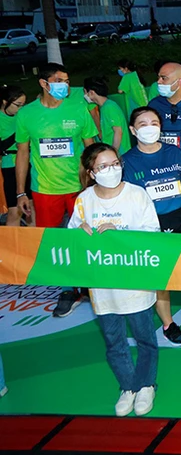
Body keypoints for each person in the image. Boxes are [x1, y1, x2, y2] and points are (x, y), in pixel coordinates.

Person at [68, 143, 159, 417]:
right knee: (113, 340)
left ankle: (146, 384)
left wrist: (120, 232)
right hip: (102, 286)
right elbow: (71, 235)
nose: (112, 170)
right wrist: (79, 232)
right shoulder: (84, 200)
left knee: (144, 337)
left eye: (115, 163)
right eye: (103, 166)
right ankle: (128, 386)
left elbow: (153, 232)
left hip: (135, 283)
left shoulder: (137, 194)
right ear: (91, 172)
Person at [121, 107, 181, 346]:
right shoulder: (127, 161)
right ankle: (168, 324)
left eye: (154, 123)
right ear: (133, 130)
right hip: (151, 225)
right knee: (161, 278)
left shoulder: (175, 153)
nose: (149, 128)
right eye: (143, 124)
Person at [16, 64, 98, 316]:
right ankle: (67, 290)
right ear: (44, 83)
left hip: (79, 189)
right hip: (44, 190)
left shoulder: (78, 108)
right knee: (54, 242)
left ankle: (90, 283)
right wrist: (20, 192)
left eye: (67, 80)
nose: (66, 85)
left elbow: (91, 147)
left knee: (86, 236)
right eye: (60, 80)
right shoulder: (27, 114)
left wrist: (96, 183)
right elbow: (22, 153)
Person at [0, 85, 27, 227]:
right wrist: (20, 133)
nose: (20, 108)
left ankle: (34, 239)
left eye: (23, 105)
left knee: (32, 207)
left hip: (30, 161)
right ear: (5, 102)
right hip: (10, 164)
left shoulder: (22, 115)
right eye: (17, 105)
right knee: (14, 210)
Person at [83, 77, 131, 153]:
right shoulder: (104, 107)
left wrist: (114, 152)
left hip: (120, 153)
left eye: (85, 92)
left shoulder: (109, 107)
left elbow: (118, 132)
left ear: (91, 92)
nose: (85, 95)